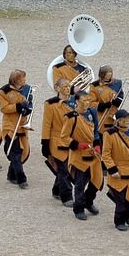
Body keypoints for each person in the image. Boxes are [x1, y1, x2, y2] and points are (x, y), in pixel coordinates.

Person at [101, 108, 129, 231]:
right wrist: (112, 169)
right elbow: (106, 154)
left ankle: (128, 216)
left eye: (127, 118)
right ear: (117, 121)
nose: (126, 121)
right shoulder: (109, 133)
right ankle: (119, 221)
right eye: (123, 119)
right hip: (118, 170)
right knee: (120, 199)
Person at [61, 88, 103, 221]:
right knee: (80, 183)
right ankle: (78, 208)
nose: (87, 103)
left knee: (97, 180)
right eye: (84, 100)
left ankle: (88, 201)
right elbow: (64, 137)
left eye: (88, 100)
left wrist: (97, 144)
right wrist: (77, 145)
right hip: (79, 154)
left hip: (92, 152)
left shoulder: (92, 112)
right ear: (77, 102)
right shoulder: (71, 117)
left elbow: (96, 130)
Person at [0, 69, 33, 189]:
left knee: (22, 152)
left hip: (22, 125)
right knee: (16, 152)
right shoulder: (4, 91)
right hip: (10, 126)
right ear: (16, 80)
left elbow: (29, 104)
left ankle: (11, 174)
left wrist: (27, 109)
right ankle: (21, 178)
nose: (25, 80)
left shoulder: (26, 89)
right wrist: (17, 106)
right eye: (22, 79)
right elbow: (3, 108)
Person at [42, 77, 74, 205]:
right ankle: (67, 196)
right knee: (64, 168)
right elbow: (46, 125)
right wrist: (45, 142)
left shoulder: (75, 102)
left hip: (71, 141)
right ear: (57, 88)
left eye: (69, 86)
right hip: (57, 141)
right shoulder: (50, 104)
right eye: (65, 86)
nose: (67, 89)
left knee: (65, 169)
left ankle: (56, 190)